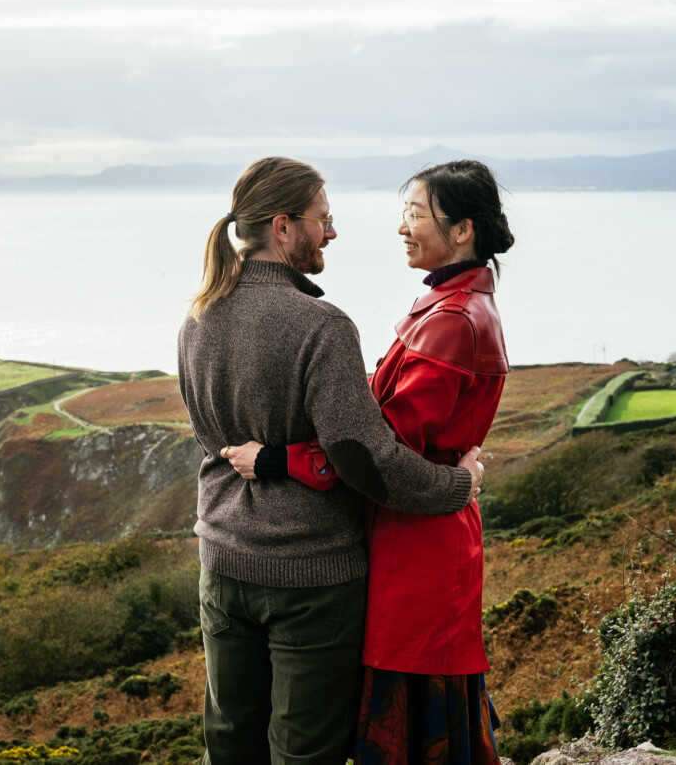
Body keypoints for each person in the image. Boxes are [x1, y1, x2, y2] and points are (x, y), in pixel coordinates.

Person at [177, 156, 485, 765]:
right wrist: (459, 485)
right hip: (312, 578)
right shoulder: (321, 325)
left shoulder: (199, 315)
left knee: (230, 745)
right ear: (284, 226)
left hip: (223, 563)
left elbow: (209, 438)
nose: (333, 233)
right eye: (324, 219)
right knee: (305, 753)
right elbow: (364, 458)